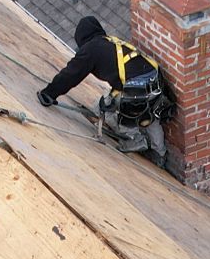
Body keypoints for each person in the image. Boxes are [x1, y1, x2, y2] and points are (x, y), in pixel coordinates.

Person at [37, 17, 174, 166]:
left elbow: (70, 75)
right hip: (155, 81)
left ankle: (134, 138)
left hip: (138, 89)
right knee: (150, 114)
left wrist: (49, 94)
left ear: (81, 38)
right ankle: (159, 154)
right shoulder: (110, 42)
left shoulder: (90, 50)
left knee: (103, 108)